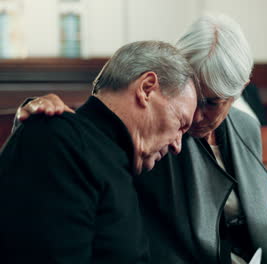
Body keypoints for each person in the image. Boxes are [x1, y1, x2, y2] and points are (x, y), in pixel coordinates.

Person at [14, 15, 267, 264]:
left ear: (239, 90)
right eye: (190, 97)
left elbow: (231, 227)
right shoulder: (151, 135)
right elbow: (95, 136)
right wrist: (38, 110)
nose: (196, 116)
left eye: (212, 102)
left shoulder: (245, 127)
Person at [0, 41, 198, 263]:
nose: (177, 146)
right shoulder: (59, 140)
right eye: (181, 123)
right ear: (146, 89)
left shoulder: (113, 159)